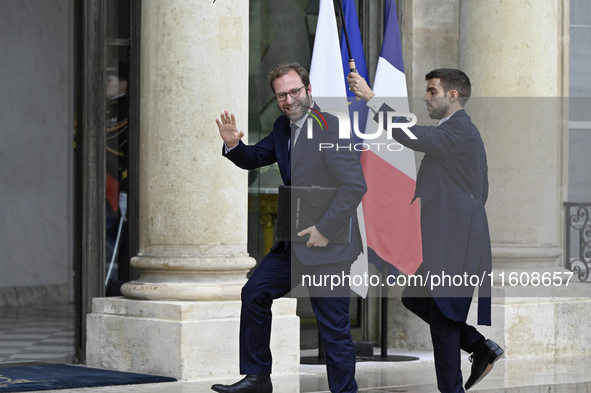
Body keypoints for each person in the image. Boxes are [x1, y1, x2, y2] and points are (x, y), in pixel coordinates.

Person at [212, 62, 367, 393]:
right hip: (293, 245)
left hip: (330, 246)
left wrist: (325, 229)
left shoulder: (331, 127)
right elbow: (254, 157)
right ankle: (257, 378)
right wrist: (233, 146)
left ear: (308, 90)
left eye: (294, 91)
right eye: (281, 94)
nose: (289, 99)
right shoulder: (283, 128)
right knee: (254, 293)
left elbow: (354, 186)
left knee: (333, 329)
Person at [347, 68, 503, 392]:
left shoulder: (459, 129)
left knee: (444, 322)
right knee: (415, 297)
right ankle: (478, 345)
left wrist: (372, 100)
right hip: (453, 240)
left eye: (432, 91)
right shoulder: (458, 132)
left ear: (452, 95)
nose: (426, 97)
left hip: (456, 244)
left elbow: (415, 137)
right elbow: (482, 188)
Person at [105, 61, 129, 294]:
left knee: (121, 238)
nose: (105, 85)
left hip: (122, 181)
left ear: (123, 84)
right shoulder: (108, 108)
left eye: (110, 81)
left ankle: (117, 283)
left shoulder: (123, 109)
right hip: (112, 182)